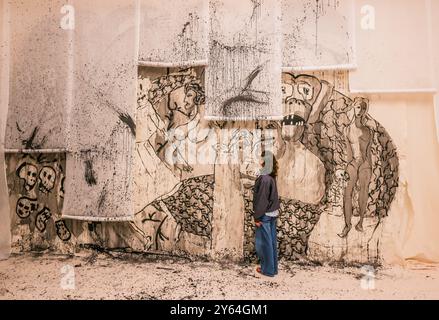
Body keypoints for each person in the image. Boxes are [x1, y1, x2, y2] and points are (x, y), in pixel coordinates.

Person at [252, 150, 280, 277]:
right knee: (271, 242)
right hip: (273, 213)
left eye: (261, 158)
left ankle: (267, 270)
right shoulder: (270, 176)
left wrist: (257, 217)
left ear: (264, 161)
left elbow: (262, 200)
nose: (260, 160)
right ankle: (272, 269)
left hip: (266, 215)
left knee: (264, 244)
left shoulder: (264, 178)